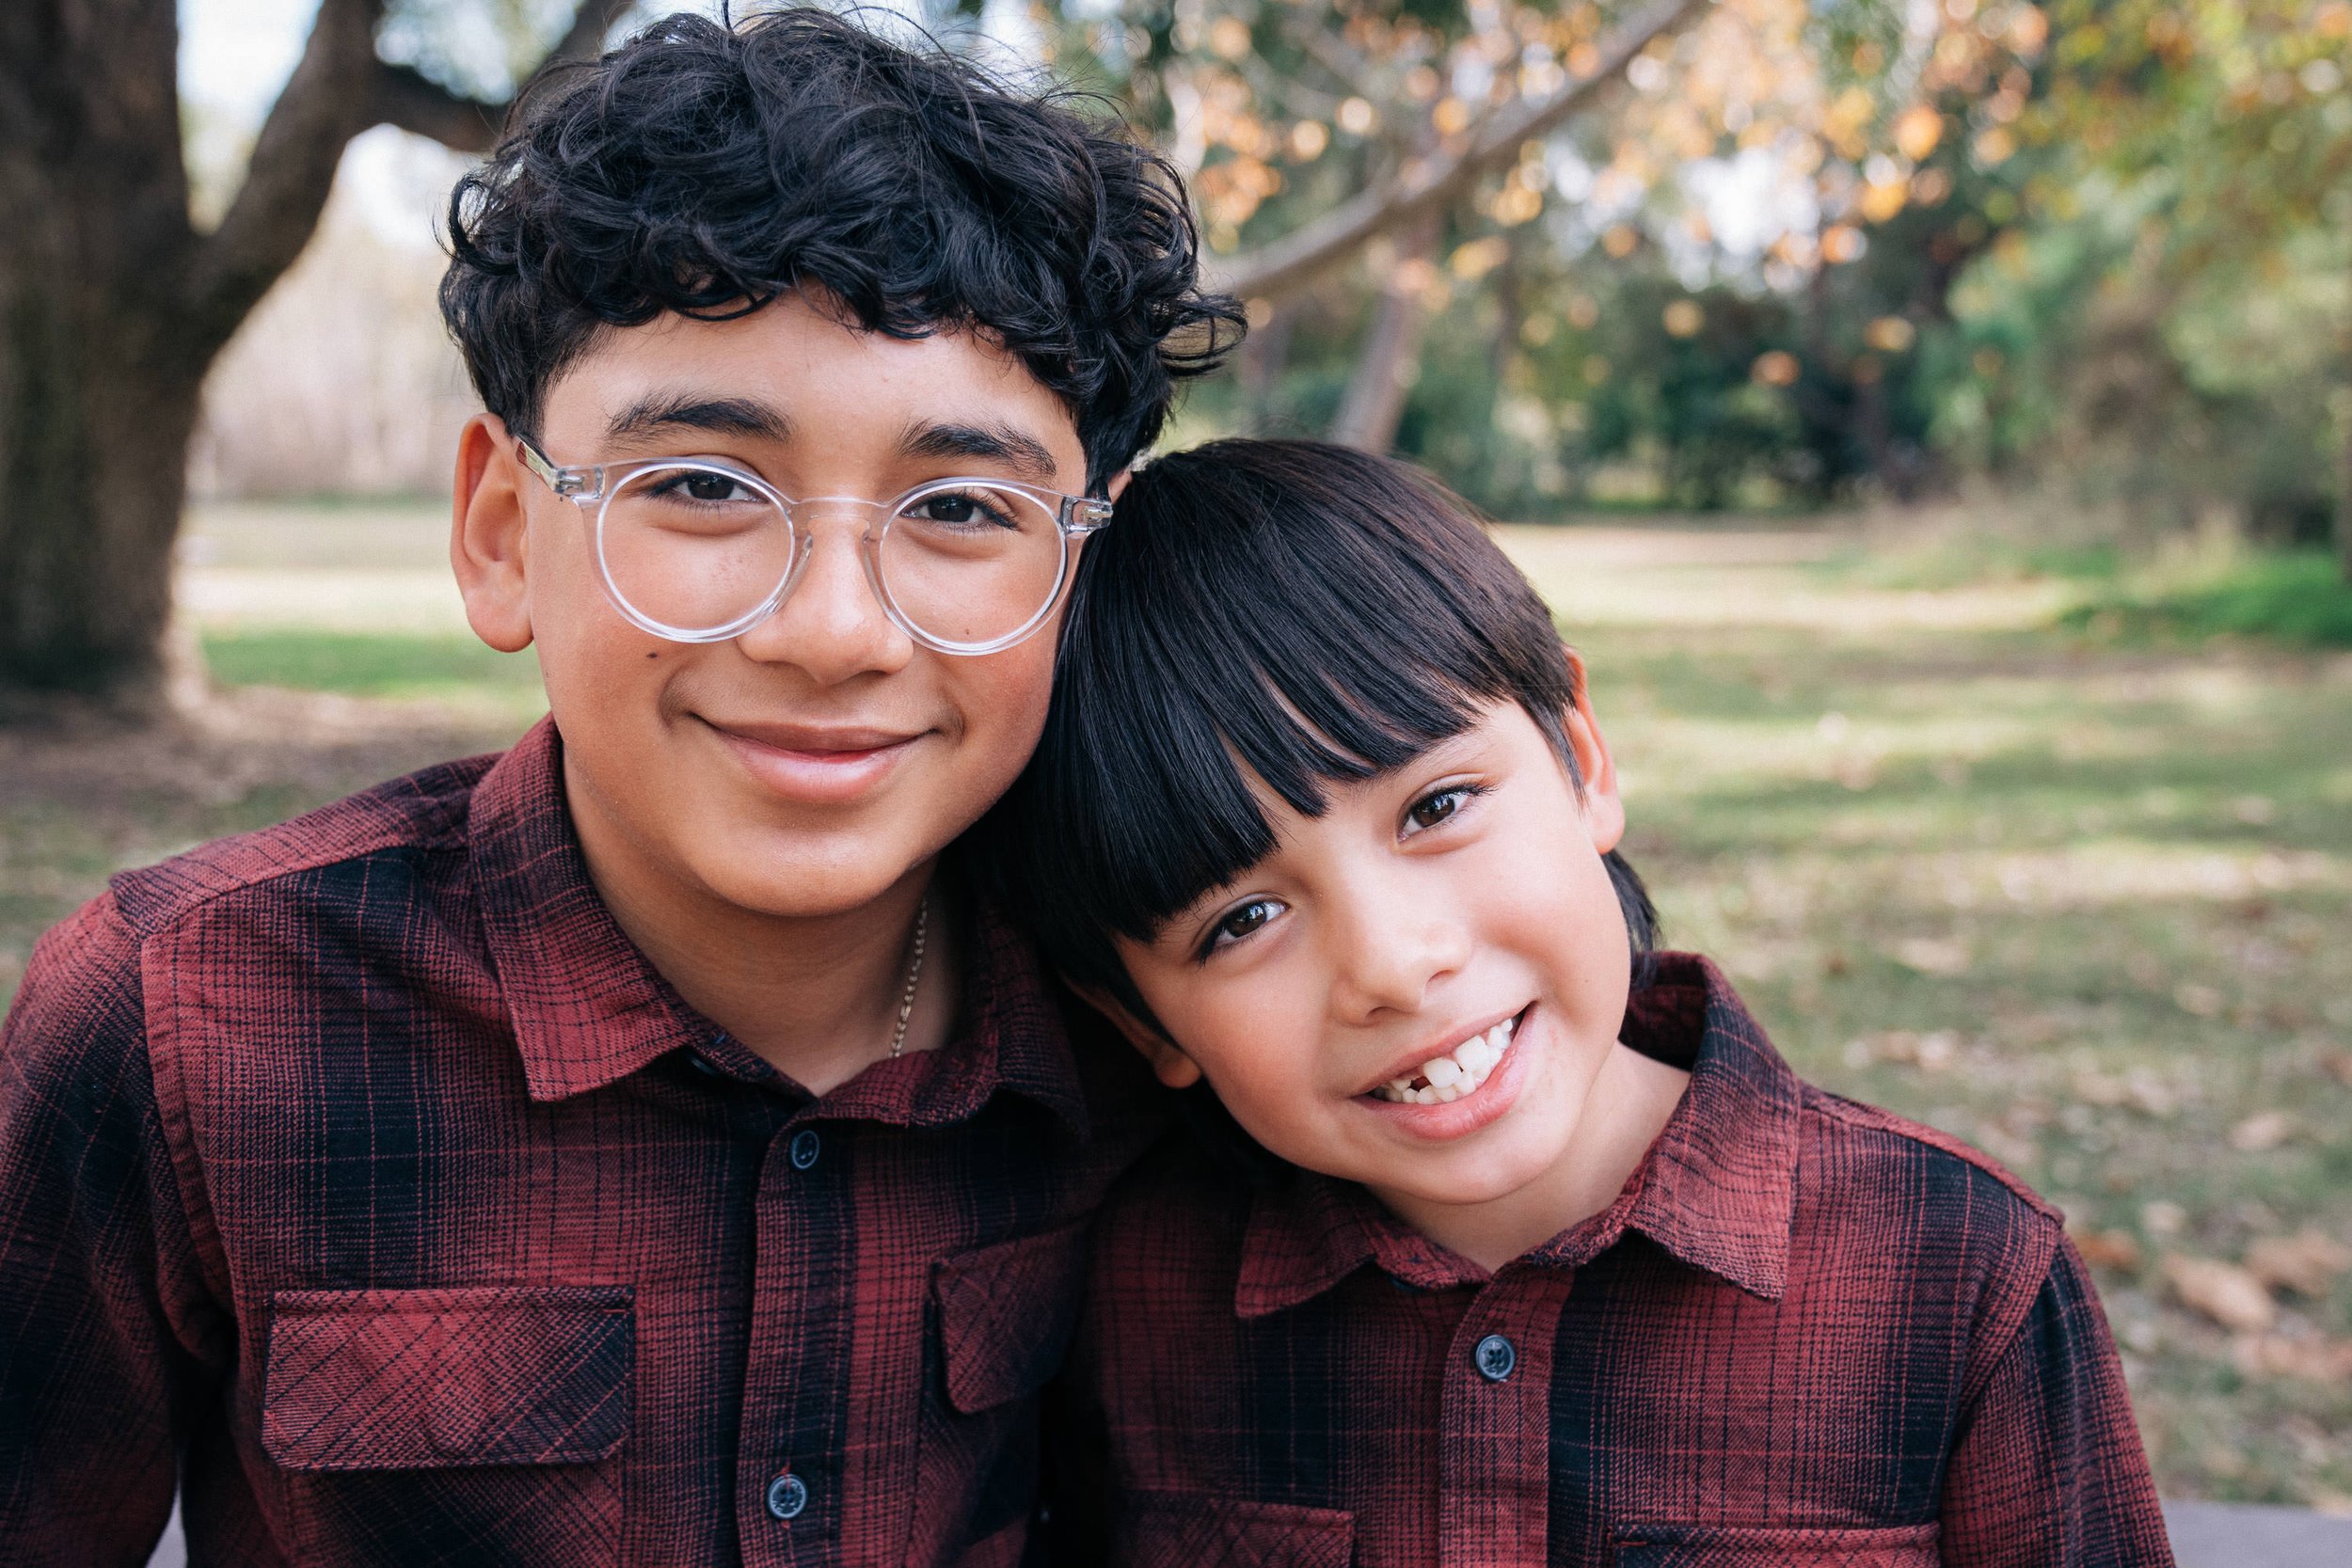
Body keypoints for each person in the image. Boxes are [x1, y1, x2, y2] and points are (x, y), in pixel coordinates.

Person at [0, 10, 1236, 1564]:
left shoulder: (1162, 1022)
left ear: (1083, 567)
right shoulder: (182, 1019)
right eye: (706, 485)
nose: (830, 632)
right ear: (505, 532)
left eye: (966, 505)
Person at [992, 439, 2174, 1566]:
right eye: (1241, 920)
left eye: (1436, 806)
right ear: (1142, 1020)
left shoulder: (1958, 1271)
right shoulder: (1135, 1289)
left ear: (1581, 756)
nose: (1395, 965)